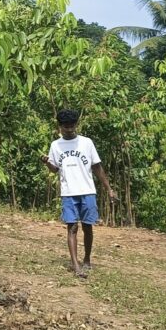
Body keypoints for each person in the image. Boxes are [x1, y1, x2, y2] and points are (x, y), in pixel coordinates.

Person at [40, 109, 116, 278]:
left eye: (72, 126)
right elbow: (54, 170)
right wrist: (46, 163)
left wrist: (108, 188)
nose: (69, 129)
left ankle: (87, 259)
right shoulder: (55, 145)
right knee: (72, 227)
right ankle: (75, 264)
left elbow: (96, 167)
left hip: (87, 191)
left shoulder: (86, 143)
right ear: (59, 126)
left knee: (88, 227)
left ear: (76, 125)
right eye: (66, 126)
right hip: (68, 192)